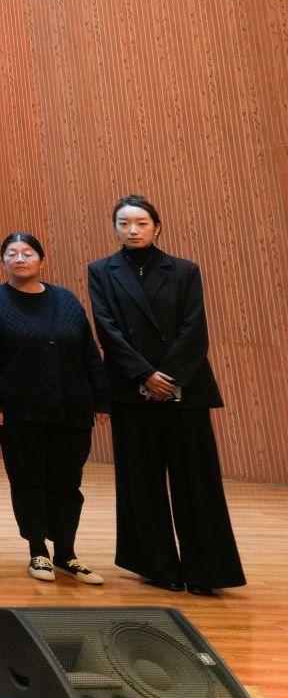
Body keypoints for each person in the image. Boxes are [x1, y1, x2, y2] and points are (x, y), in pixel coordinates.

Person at [87, 196, 244, 595]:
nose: (133, 230)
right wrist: (143, 374)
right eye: (124, 223)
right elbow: (107, 329)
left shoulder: (185, 270)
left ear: (157, 226)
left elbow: (194, 328)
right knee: (141, 480)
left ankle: (207, 571)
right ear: (115, 228)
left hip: (183, 387)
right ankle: (156, 566)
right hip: (131, 387)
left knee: (197, 480)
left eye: (141, 222)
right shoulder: (101, 270)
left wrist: (167, 377)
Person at [0, 232, 109, 585]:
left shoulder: (66, 299)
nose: (20, 259)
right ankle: (38, 549)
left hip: (72, 406)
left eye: (27, 253)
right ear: (3, 261)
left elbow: (88, 351)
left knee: (68, 483)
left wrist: (101, 399)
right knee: (28, 481)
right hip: (18, 410)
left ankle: (66, 552)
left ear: (41, 260)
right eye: (12, 253)